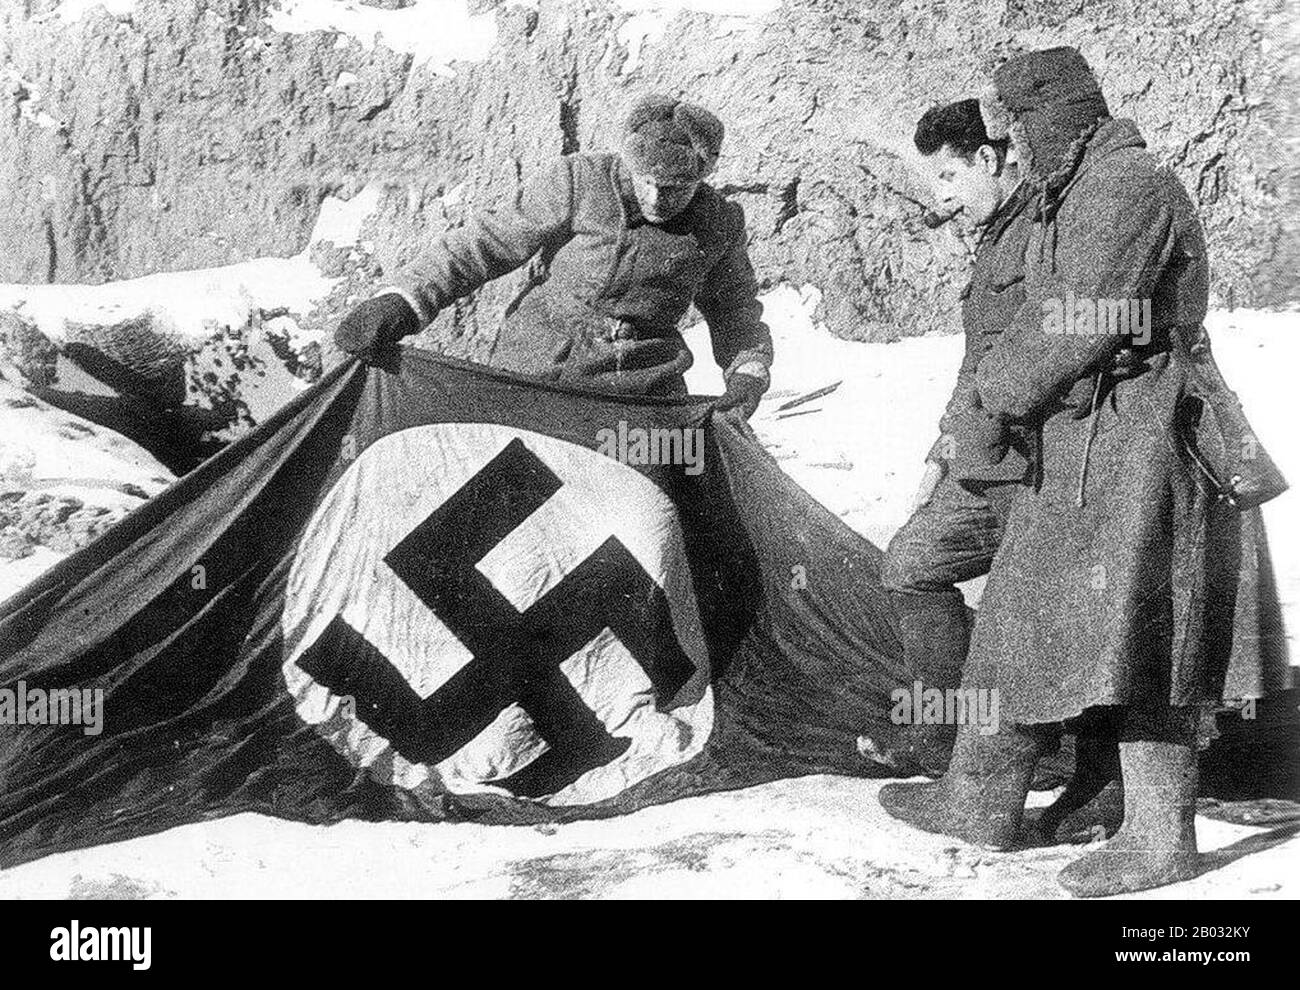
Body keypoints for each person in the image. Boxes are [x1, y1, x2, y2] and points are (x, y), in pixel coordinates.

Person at [878, 47, 1290, 897]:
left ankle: (1157, 837)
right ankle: (978, 800)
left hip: (1148, 438)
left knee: (1148, 638)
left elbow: (1078, 320)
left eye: (1024, 130)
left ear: (1062, 116)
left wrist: (995, 393)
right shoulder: (1076, 189)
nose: (1019, 152)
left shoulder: (1126, 185)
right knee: (1019, 618)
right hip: (1088, 438)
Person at [333, 94, 773, 414]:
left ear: (703, 174)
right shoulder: (579, 181)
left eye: (676, 188)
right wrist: (403, 301)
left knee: (677, 497)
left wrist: (748, 370)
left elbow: (735, 310)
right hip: (532, 375)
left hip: (638, 397)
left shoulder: (719, 223)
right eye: (647, 181)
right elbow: (485, 243)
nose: (658, 199)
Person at [857, 99, 1034, 776]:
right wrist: (943, 450)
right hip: (984, 460)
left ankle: (1047, 754)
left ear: (988, 161)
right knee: (911, 563)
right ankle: (941, 740)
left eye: (949, 180)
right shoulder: (994, 238)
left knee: (1036, 611)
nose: (944, 201)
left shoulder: (1041, 231)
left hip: (1039, 469)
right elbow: (977, 361)